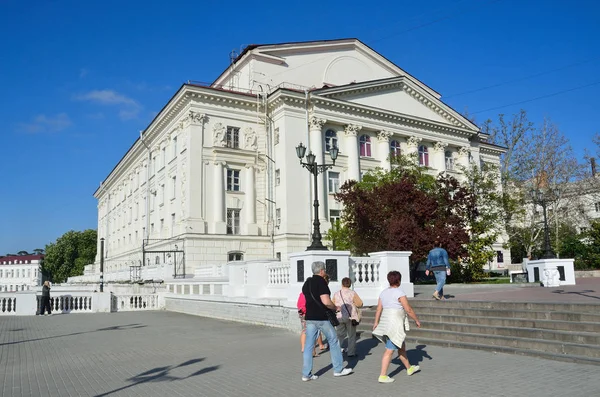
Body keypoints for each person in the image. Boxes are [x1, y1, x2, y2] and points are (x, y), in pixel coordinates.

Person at [301, 261, 353, 381]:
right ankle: (338, 369)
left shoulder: (307, 283)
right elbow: (325, 301)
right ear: (322, 271)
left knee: (309, 346)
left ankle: (306, 374)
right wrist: (335, 307)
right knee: (334, 341)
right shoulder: (321, 282)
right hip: (322, 317)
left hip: (310, 317)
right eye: (324, 270)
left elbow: (306, 297)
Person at [372, 271, 421, 383]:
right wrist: (416, 320)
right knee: (389, 350)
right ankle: (383, 376)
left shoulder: (383, 293)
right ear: (398, 280)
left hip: (386, 321)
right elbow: (408, 309)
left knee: (401, 346)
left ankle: (409, 368)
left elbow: (379, 309)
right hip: (395, 323)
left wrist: (376, 322)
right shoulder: (399, 292)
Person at [332, 277, 363, 357]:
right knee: (351, 335)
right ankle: (351, 353)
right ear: (350, 284)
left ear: (342, 284)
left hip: (339, 316)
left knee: (340, 335)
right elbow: (360, 303)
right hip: (351, 317)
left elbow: (332, 304)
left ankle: (337, 350)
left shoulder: (336, 294)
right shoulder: (352, 293)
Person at [297, 292, 327, 357]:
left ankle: (303, 348)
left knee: (304, 330)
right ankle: (313, 351)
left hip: (302, 314)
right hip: (309, 314)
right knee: (314, 332)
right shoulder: (312, 294)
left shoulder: (302, 294)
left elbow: (298, 304)